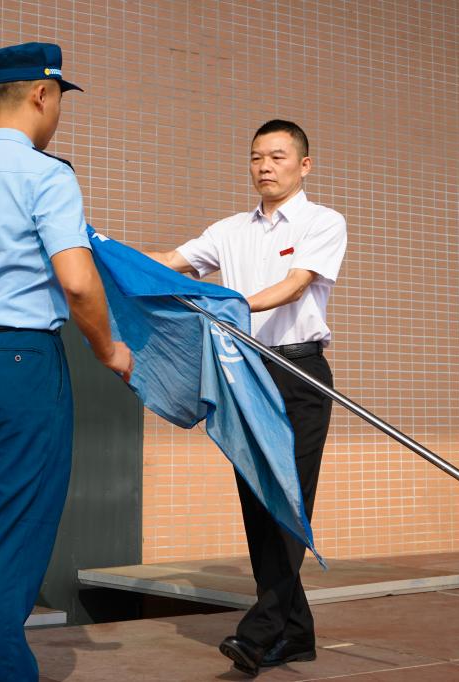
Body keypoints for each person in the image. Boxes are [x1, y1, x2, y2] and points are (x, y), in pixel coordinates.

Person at [0, 42, 133, 682]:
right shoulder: (48, 176)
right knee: (16, 531)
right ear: (42, 94)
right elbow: (78, 281)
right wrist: (108, 349)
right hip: (24, 361)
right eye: (60, 97)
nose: (59, 111)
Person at [147, 119, 346, 676]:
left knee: (288, 502)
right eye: (257, 157)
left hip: (297, 373)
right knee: (259, 505)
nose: (265, 166)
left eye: (278, 157)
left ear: (304, 164)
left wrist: (231, 305)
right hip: (243, 374)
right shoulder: (228, 230)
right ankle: (296, 634)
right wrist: (97, 250)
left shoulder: (322, 221)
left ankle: (258, 633)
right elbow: (170, 261)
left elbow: (295, 285)